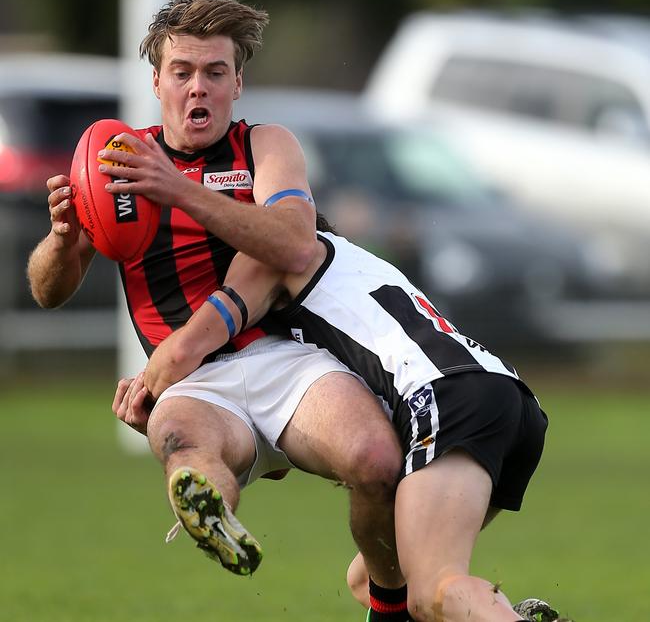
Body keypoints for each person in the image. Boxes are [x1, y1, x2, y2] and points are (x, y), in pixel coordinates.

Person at [26, 0, 406, 600]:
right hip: (190, 381)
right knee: (188, 448)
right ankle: (212, 514)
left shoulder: (266, 146)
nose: (197, 87)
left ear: (238, 83)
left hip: (288, 359)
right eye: (182, 72)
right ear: (157, 81)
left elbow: (293, 243)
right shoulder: (119, 163)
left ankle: (391, 603)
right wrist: (62, 239)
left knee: (377, 462)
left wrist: (176, 188)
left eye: (214, 72)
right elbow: (49, 291)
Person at [122, 222, 572, 622]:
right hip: (508, 396)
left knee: (433, 591)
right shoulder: (350, 260)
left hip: (448, 400)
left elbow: (184, 351)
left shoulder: (277, 257)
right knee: (373, 580)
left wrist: (150, 396)